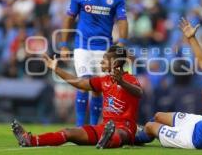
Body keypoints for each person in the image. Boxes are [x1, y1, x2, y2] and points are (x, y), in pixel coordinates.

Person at [134, 18, 202, 151]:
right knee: (158, 116)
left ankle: (133, 138)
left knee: (151, 126)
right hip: (197, 123)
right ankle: (145, 133)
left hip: (191, 139)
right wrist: (192, 38)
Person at [12, 45, 142, 149]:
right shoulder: (103, 80)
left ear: (115, 63)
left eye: (105, 59)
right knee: (69, 132)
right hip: (104, 128)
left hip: (125, 128)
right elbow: (79, 82)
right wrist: (56, 70)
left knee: (119, 134)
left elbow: (139, 93)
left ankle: (108, 140)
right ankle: (31, 140)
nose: (101, 62)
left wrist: (122, 83)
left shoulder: (130, 79)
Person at [59, 0, 129, 126]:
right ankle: (80, 127)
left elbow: (122, 20)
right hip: (82, 45)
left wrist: (122, 42)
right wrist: (63, 45)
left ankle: (94, 128)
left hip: (104, 49)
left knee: (98, 88)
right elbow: (69, 18)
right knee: (83, 83)